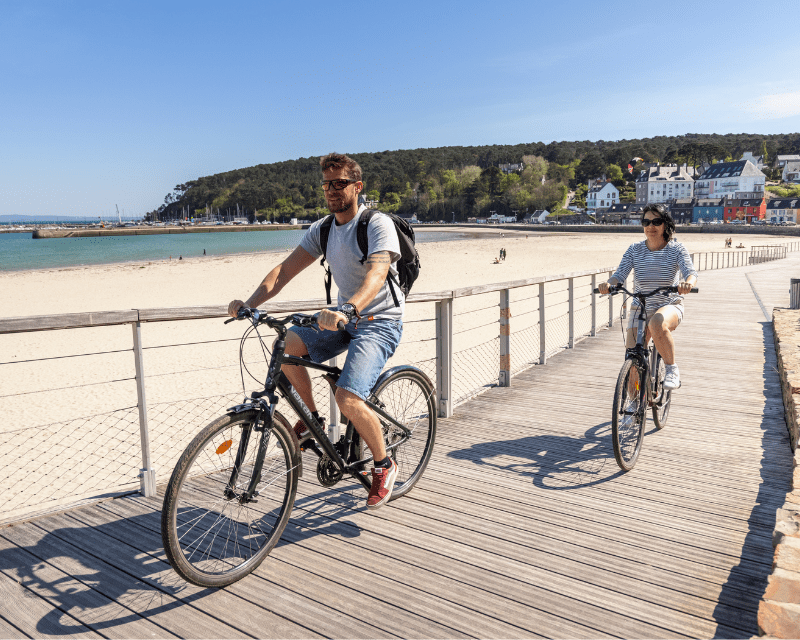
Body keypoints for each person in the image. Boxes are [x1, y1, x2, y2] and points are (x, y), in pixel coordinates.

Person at [228, 153, 402, 510]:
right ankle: (310, 422)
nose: (332, 190)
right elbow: (284, 271)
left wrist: (349, 308)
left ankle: (384, 465)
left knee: (348, 397)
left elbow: (377, 274)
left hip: (379, 322)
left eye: (340, 183)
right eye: (327, 184)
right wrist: (249, 303)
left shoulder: (376, 224)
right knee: (288, 344)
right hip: (342, 319)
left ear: (357, 187)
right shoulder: (323, 229)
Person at [598, 204, 697, 390]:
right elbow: (619, 275)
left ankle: (671, 369)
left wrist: (688, 284)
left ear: (665, 224)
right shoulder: (635, 249)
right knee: (632, 358)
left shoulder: (676, 249)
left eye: (656, 221)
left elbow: (691, 273)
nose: (651, 226)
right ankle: (634, 408)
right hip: (640, 306)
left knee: (657, 323)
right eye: (646, 222)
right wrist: (609, 284)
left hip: (669, 304)